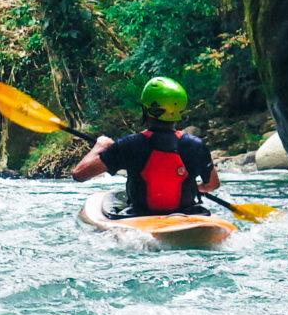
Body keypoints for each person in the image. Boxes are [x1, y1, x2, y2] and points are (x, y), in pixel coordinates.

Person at [72, 76, 220, 215]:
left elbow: (79, 174)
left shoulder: (129, 145)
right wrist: (196, 188)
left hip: (139, 218)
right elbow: (212, 184)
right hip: (185, 216)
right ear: (180, 110)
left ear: (146, 109)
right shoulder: (195, 145)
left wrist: (100, 146)